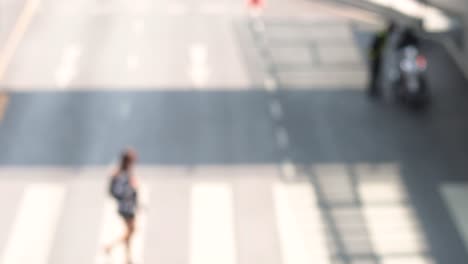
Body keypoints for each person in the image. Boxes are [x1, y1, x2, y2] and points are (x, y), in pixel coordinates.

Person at [105, 148, 139, 264]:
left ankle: (128, 258)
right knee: (131, 230)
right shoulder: (121, 174)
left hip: (128, 206)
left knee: (129, 231)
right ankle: (110, 246)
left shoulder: (125, 173)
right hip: (126, 207)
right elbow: (119, 191)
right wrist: (130, 191)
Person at [368, 22, 397, 97]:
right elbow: (376, 44)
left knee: (376, 73)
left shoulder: (384, 33)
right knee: (375, 73)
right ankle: (373, 90)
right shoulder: (383, 34)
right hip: (376, 56)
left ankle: (374, 89)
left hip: (376, 56)